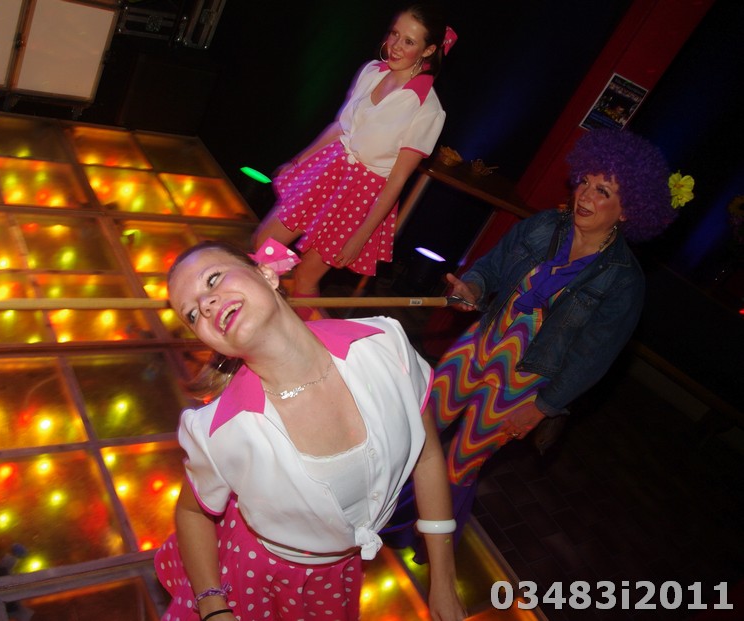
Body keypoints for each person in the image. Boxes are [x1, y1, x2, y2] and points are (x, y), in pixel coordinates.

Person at [154, 238, 467, 621]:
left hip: (338, 575)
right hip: (257, 576)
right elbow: (191, 512)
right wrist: (212, 606)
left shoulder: (386, 345)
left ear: (267, 274)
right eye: (192, 314)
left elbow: (428, 455)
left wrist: (443, 579)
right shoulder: (216, 431)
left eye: (213, 279)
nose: (205, 304)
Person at [430, 128, 678, 537]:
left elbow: (591, 359)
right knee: (419, 432)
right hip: (477, 347)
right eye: (585, 182)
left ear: (628, 210)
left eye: (602, 191)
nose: (585, 196)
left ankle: (423, 541)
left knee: (460, 464)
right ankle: (377, 516)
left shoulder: (624, 281)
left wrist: (543, 407)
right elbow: (490, 268)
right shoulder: (544, 225)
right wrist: (471, 287)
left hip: (522, 383)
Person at [252, 2, 457, 303]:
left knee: (305, 280)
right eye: (395, 34)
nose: (396, 46)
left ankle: (296, 328)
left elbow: (397, 180)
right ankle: (261, 305)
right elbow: (340, 127)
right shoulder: (372, 71)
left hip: (361, 195)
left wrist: (361, 236)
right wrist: (298, 161)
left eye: (409, 41)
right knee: (265, 244)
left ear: (428, 50)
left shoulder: (427, 109)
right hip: (329, 168)